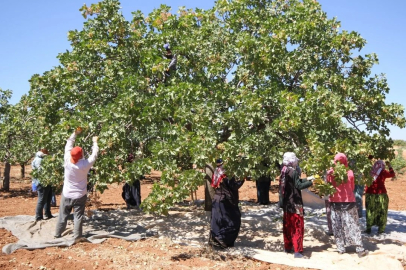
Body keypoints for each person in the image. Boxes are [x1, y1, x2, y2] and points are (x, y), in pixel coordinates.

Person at [54, 127, 99, 240]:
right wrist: (95, 142)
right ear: (81, 155)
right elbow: (94, 155)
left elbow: (68, 144)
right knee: (78, 216)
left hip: (67, 194)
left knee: (62, 215)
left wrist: (75, 134)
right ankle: (77, 236)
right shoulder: (85, 165)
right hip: (80, 195)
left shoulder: (67, 160)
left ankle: (57, 234)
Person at [327, 153, 368, 257]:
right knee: (352, 224)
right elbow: (352, 186)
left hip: (335, 202)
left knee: (337, 225)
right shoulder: (350, 172)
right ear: (345, 161)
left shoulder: (330, 173)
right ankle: (359, 248)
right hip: (348, 202)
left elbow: (327, 186)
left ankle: (341, 248)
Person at [278, 152, 314, 259]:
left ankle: (288, 247)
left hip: (287, 203)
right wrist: (311, 182)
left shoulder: (284, 170)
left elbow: (296, 182)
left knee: (288, 225)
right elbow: (298, 185)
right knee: (297, 226)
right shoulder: (292, 172)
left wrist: (307, 179)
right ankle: (297, 251)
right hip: (295, 203)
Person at [209, 158, 245, 248]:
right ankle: (221, 239)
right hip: (226, 201)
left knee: (217, 222)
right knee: (233, 222)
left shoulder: (218, 171)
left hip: (217, 200)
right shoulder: (227, 172)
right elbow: (234, 185)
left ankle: (216, 242)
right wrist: (243, 178)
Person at [364, 160, 395, 234]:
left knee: (370, 211)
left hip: (370, 194)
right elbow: (392, 174)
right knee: (382, 211)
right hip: (381, 194)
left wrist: (369, 159)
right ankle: (381, 229)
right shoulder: (383, 172)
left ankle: (368, 228)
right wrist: (389, 166)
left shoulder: (369, 171)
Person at [32, 148, 53, 221]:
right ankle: (38, 216)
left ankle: (48, 213)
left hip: (48, 181)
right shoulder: (39, 160)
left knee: (48, 198)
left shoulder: (43, 158)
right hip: (42, 182)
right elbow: (40, 171)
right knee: (42, 199)